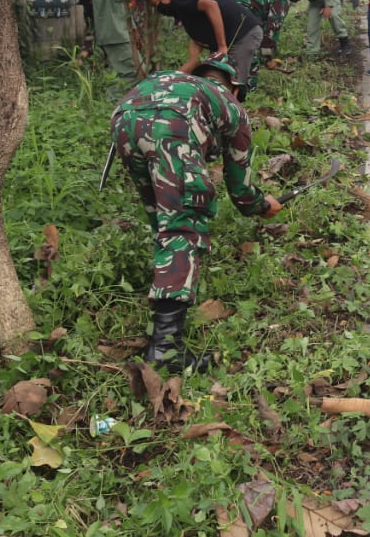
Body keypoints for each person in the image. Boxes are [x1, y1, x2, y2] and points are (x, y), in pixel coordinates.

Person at [110, 54, 283, 371]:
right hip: (172, 128)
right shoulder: (231, 105)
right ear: (234, 87)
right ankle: (165, 349)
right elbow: (240, 191)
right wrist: (262, 205)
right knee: (182, 227)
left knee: (165, 218)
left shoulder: (171, 80)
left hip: (123, 120)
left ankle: (166, 283)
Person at [146, 0, 263, 98]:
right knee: (216, 79)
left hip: (243, 35)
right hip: (235, 38)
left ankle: (235, 111)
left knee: (232, 80)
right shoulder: (185, 13)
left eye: (156, 4)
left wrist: (221, 46)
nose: (158, 9)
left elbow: (211, 5)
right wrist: (168, 80)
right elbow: (194, 60)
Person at [231, 0, 293, 91]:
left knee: (230, 50)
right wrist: (268, 58)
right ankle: (247, 92)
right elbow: (272, 28)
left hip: (228, 8)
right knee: (250, 54)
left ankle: (224, 82)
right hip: (245, 16)